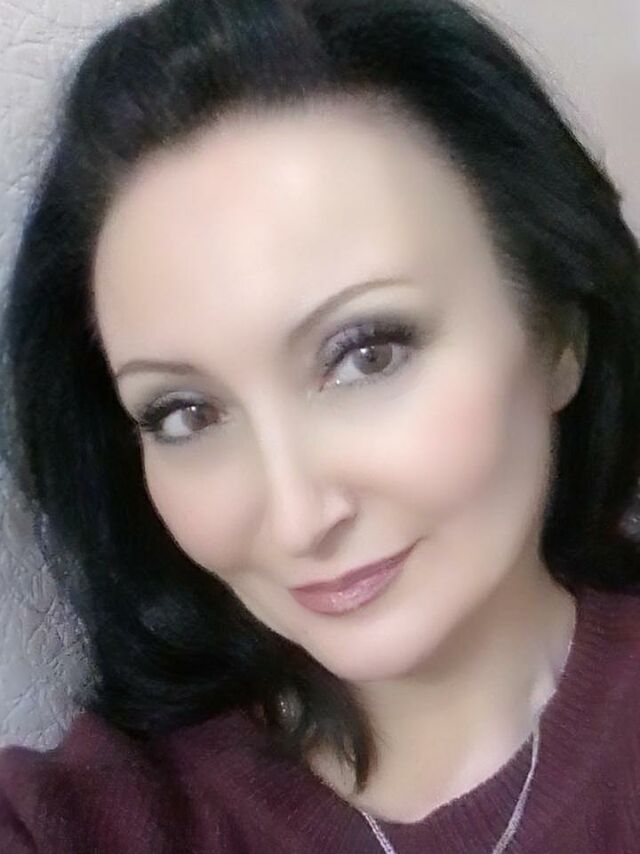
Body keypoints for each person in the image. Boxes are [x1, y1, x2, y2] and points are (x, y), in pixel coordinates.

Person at [1, 0, 639, 851]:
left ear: (558, 337)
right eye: (186, 413)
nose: (298, 518)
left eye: (367, 354)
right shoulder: (84, 822)